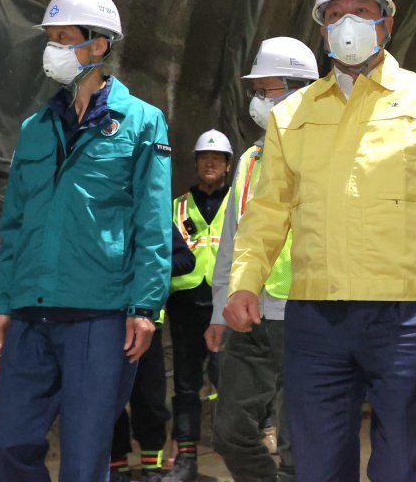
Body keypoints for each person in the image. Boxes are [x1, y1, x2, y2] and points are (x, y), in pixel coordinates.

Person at [223, 0, 416, 482]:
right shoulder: (291, 114)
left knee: (405, 467)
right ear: (322, 28)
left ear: (386, 22)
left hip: (403, 316)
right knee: (318, 468)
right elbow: (269, 210)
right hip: (314, 317)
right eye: (336, 14)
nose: (348, 24)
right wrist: (243, 281)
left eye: (361, 12)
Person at [0, 0, 173, 482]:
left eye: (64, 37)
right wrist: (3, 303)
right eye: (51, 37)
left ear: (99, 45)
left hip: (99, 314)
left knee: (86, 458)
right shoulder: (35, 128)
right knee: (5, 442)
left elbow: (152, 222)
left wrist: (144, 307)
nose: (53, 48)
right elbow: (16, 222)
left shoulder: (142, 122)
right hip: (30, 312)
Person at [206, 36, 320, 482]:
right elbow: (232, 241)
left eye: (268, 90)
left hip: (308, 314)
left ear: (300, 91)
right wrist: (220, 309)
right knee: (230, 432)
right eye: (257, 91)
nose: (258, 101)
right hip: (250, 316)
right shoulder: (251, 160)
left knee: (300, 442)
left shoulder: (327, 156)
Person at [165, 128, 232, 482]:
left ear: (226, 165)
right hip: (187, 305)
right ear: (195, 164)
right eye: (204, 157)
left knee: (229, 379)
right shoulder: (176, 206)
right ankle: (186, 458)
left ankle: (239, 449)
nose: (210, 162)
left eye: (217, 158)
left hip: (225, 304)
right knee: (186, 385)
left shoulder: (239, 202)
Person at [110, 218, 196, 481]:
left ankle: (151, 466)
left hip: (146, 324)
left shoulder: (150, 215)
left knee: (149, 399)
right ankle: (117, 464)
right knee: (108, 400)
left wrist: (150, 267)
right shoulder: (97, 213)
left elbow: (186, 260)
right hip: (102, 324)